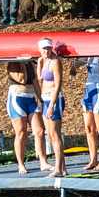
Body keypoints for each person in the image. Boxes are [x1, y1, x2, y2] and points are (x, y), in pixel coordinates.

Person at [3, 54, 41, 173]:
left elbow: (35, 81)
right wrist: (22, 64)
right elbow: (22, 79)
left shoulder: (30, 64)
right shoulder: (13, 64)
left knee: (39, 130)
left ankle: (43, 161)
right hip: (17, 97)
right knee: (21, 132)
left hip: (30, 98)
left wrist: (42, 99)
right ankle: (21, 164)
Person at [36, 37, 67, 176]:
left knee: (55, 135)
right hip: (46, 99)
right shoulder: (44, 61)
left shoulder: (55, 62)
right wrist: (39, 62)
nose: (46, 51)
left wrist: (52, 105)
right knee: (50, 135)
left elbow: (58, 85)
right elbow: (40, 78)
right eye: (44, 49)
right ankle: (63, 168)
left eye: (48, 48)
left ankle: (58, 169)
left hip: (54, 100)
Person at [79, 49, 99, 171]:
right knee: (89, 127)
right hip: (89, 91)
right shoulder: (88, 55)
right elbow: (76, 62)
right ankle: (93, 159)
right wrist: (73, 67)